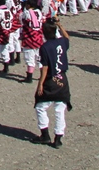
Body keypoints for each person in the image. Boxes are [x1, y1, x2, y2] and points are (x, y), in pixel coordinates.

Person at [34, 18, 71, 148]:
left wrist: (40, 84)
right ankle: (58, 137)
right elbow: (67, 38)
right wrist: (60, 25)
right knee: (60, 109)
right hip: (62, 80)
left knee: (40, 106)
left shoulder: (44, 47)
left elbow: (44, 68)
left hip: (50, 80)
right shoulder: (61, 42)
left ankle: (45, 135)